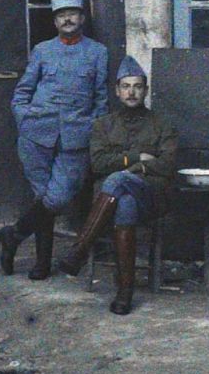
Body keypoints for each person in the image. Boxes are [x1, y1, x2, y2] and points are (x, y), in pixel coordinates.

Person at [56, 55, 179, 315]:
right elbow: (97, 163)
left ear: (145, 90)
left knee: (116, 178)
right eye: (126, 86)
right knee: (124, 203)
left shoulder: (161, 124)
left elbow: (168, 164)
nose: (131, 92)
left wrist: (130, 168)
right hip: (118, 201)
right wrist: (137, 159)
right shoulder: (103, 124)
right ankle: (125, 293)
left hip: (151, 197)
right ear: (117, 90)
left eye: (137, 86)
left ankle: (79, 249)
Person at [1, 0, 111, 280]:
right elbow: (23, 90)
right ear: (55, 21)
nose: (68, 19)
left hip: (75, 136)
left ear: (82, 18)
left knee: (57, 197)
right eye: (62, 15)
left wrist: (92, 128)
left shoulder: (98, 52)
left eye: (73, 14)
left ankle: (13, 235)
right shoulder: (42, 50)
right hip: (36, 133)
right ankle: (41, 263)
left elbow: (101, 98)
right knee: (41, 196)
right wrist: (23, 116)